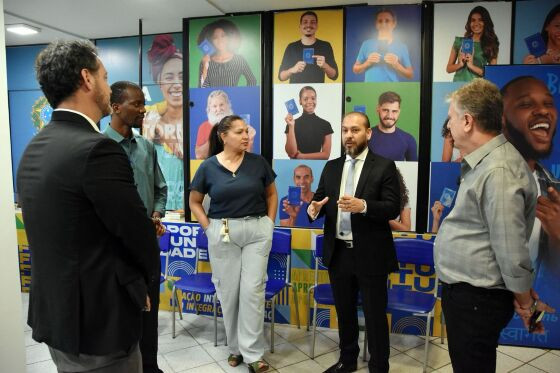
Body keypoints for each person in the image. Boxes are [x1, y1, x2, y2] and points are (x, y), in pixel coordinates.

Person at [16, 40, 160, 373]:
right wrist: (142, 283)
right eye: (106, 78)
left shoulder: (34, 148)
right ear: (87, 79)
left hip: (58, 319)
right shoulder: (97, 150)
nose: (109, 88)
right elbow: (136, 233)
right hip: (100, 326)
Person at [434, 78, 554, 373]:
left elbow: (511, 250)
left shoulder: (498, 170)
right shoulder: (487, 163)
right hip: (472, 296)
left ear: (467, 121)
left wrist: (526, 303)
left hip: (476, 300)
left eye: (450, 118)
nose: (447, 126)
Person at [308, 112, 400, 373]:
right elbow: (320, 201)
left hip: (370, 254)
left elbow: (393, 208)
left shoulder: (384, 166)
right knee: (345, 314)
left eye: (355, 130)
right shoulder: (332, 166)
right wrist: (313, 209)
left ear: (368, 133)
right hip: (339, 253)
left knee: (374, 317)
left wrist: (364, 206)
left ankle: (379, 366)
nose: (349, 135)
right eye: (345, 130)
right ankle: (347, 361)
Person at [189, 115, 278, 373]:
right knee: (229, 293)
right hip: (222, 231)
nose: (246, 136)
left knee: (252, 291)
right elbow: (195, 201)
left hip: (256, 231)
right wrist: (208, 228)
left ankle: (253, 354)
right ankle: (235, 348)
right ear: (223, 136)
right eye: (239, 132)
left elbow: (272, 194)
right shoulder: (208, 167)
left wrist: (269, 225)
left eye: (247, 131)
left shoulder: (258, 163)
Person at [104, 81, 167, 373]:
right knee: (120, 315)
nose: (143, 110)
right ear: (115, 107)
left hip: (147, 248)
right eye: (137, 104)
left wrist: (156, 215)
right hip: (114, 250)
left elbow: (161, 188)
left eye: (143, 103)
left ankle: (151, 366)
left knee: (149, 314)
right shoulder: (99, 147)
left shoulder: (146, 147)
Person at [501, 76, 560, 317]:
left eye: (548, 103)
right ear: (501, 120)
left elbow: (550, 270)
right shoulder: (488, 177)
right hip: (489, 300)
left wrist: (557, 234)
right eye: (526, 104)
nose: (543, 111)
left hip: (527, 300)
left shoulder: (553, 188)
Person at [143, 34, 184, 211]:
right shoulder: (148, 115)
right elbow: (144, 161)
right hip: (159, 206)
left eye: (182, 76)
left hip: (189, 206)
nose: (176, 84)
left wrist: (160, 127)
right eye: (168, 77)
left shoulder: (198, 117)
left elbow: (185, 152)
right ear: (159, 83)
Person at [353, 8, 413, 82]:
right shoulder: (366, 44)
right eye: (380, 21)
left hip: (392, 88)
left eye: (387, 21)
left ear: (394, 23)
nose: (383, 24)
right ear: (376, 24)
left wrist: (397, 65)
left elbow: (410, 74)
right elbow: (355, 69)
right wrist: (367, 63)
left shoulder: (402, 47)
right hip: (370, 88)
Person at [278, 11, 339, 83]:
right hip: (295, 91)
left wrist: (325, 66)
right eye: (305, 22)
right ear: (300, 26)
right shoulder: (291, 47)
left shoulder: (325, 46)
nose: (309, 25)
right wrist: (292, 70)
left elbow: (334, 76)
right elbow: (281, 77)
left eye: (312, 22)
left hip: (318, 91)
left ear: (317, 26)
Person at [195, 90, 256, 159]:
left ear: (228, 105)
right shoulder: (203, 127)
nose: (219, 109)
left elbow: (247, 155)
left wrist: (250, 140)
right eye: (214, 106)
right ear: (209, 109)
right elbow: (199, 156)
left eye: (221, 104)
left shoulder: (238, 124)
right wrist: (215, 135)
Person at [446, 6, 499, 82]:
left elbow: (492, 74)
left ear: (486, 22)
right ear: (469, 23)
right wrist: (460, 64)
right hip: (458, 87)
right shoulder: (459, 41)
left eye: (480, 20)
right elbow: (448, 69)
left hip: (476, 88)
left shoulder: (491, 45)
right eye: (473, 20)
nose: (476, 23)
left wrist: (471, 66)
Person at [198, 18, 257, 87]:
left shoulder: (239, 59)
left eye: (223, 36)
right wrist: (205, 65)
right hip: (213, 97)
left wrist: (243, 95)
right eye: (215, 37)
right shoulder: (205, 61)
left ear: (229, 37)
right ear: (211, 41)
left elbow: (252, 81)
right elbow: (201, 87)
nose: (220, 40)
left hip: (234, 98)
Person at [285, 86, 333, 160]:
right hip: (295, 166)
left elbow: (326, 155)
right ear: (300, 101)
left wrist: (302, 156)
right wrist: (291, 126)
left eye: (313, 98)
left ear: (316, 100)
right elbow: (291, 153)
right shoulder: (291, 124)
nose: (310, 101)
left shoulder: (325, 124)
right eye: (305, 99)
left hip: (318, 167)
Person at [367, 91, 417, 161]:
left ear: (399, 111)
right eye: (385, 110)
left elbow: (413, 170)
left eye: (394, 111)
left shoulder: (409, 140)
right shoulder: (366, 137)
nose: (390, 116)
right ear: (378, 109)